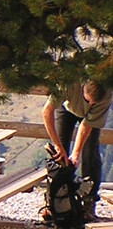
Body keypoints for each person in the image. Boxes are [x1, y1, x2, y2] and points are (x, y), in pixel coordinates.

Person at [43, 80, 110, 211]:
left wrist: (76, 153)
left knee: (90, 153)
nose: (91, 104)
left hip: (90, 117)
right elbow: (47, 112)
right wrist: (58, 145)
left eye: (94, 103)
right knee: (58, 156)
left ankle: (89, 202)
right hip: (66, 107)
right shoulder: (68, 82)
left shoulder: (107, 94)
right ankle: (54, 202)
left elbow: (87, 124)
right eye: (89, 101)